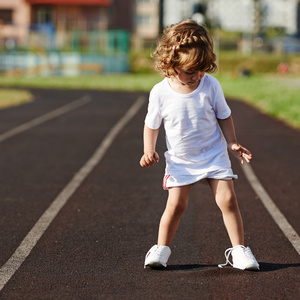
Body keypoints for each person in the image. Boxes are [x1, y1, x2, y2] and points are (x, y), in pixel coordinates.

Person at [140, 20, 259, 271]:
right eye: (189, 71)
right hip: (181, 159)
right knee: (176, 205)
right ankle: (161, 249)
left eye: (200, 70)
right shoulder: (160, 92)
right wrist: (148, 150)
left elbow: (224, 115)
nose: (195, 76)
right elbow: (151, 124)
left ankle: (239, 251)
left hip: (213, 155)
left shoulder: (211, 86)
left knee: (227, 200)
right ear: (171, 63)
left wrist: (233, 143)